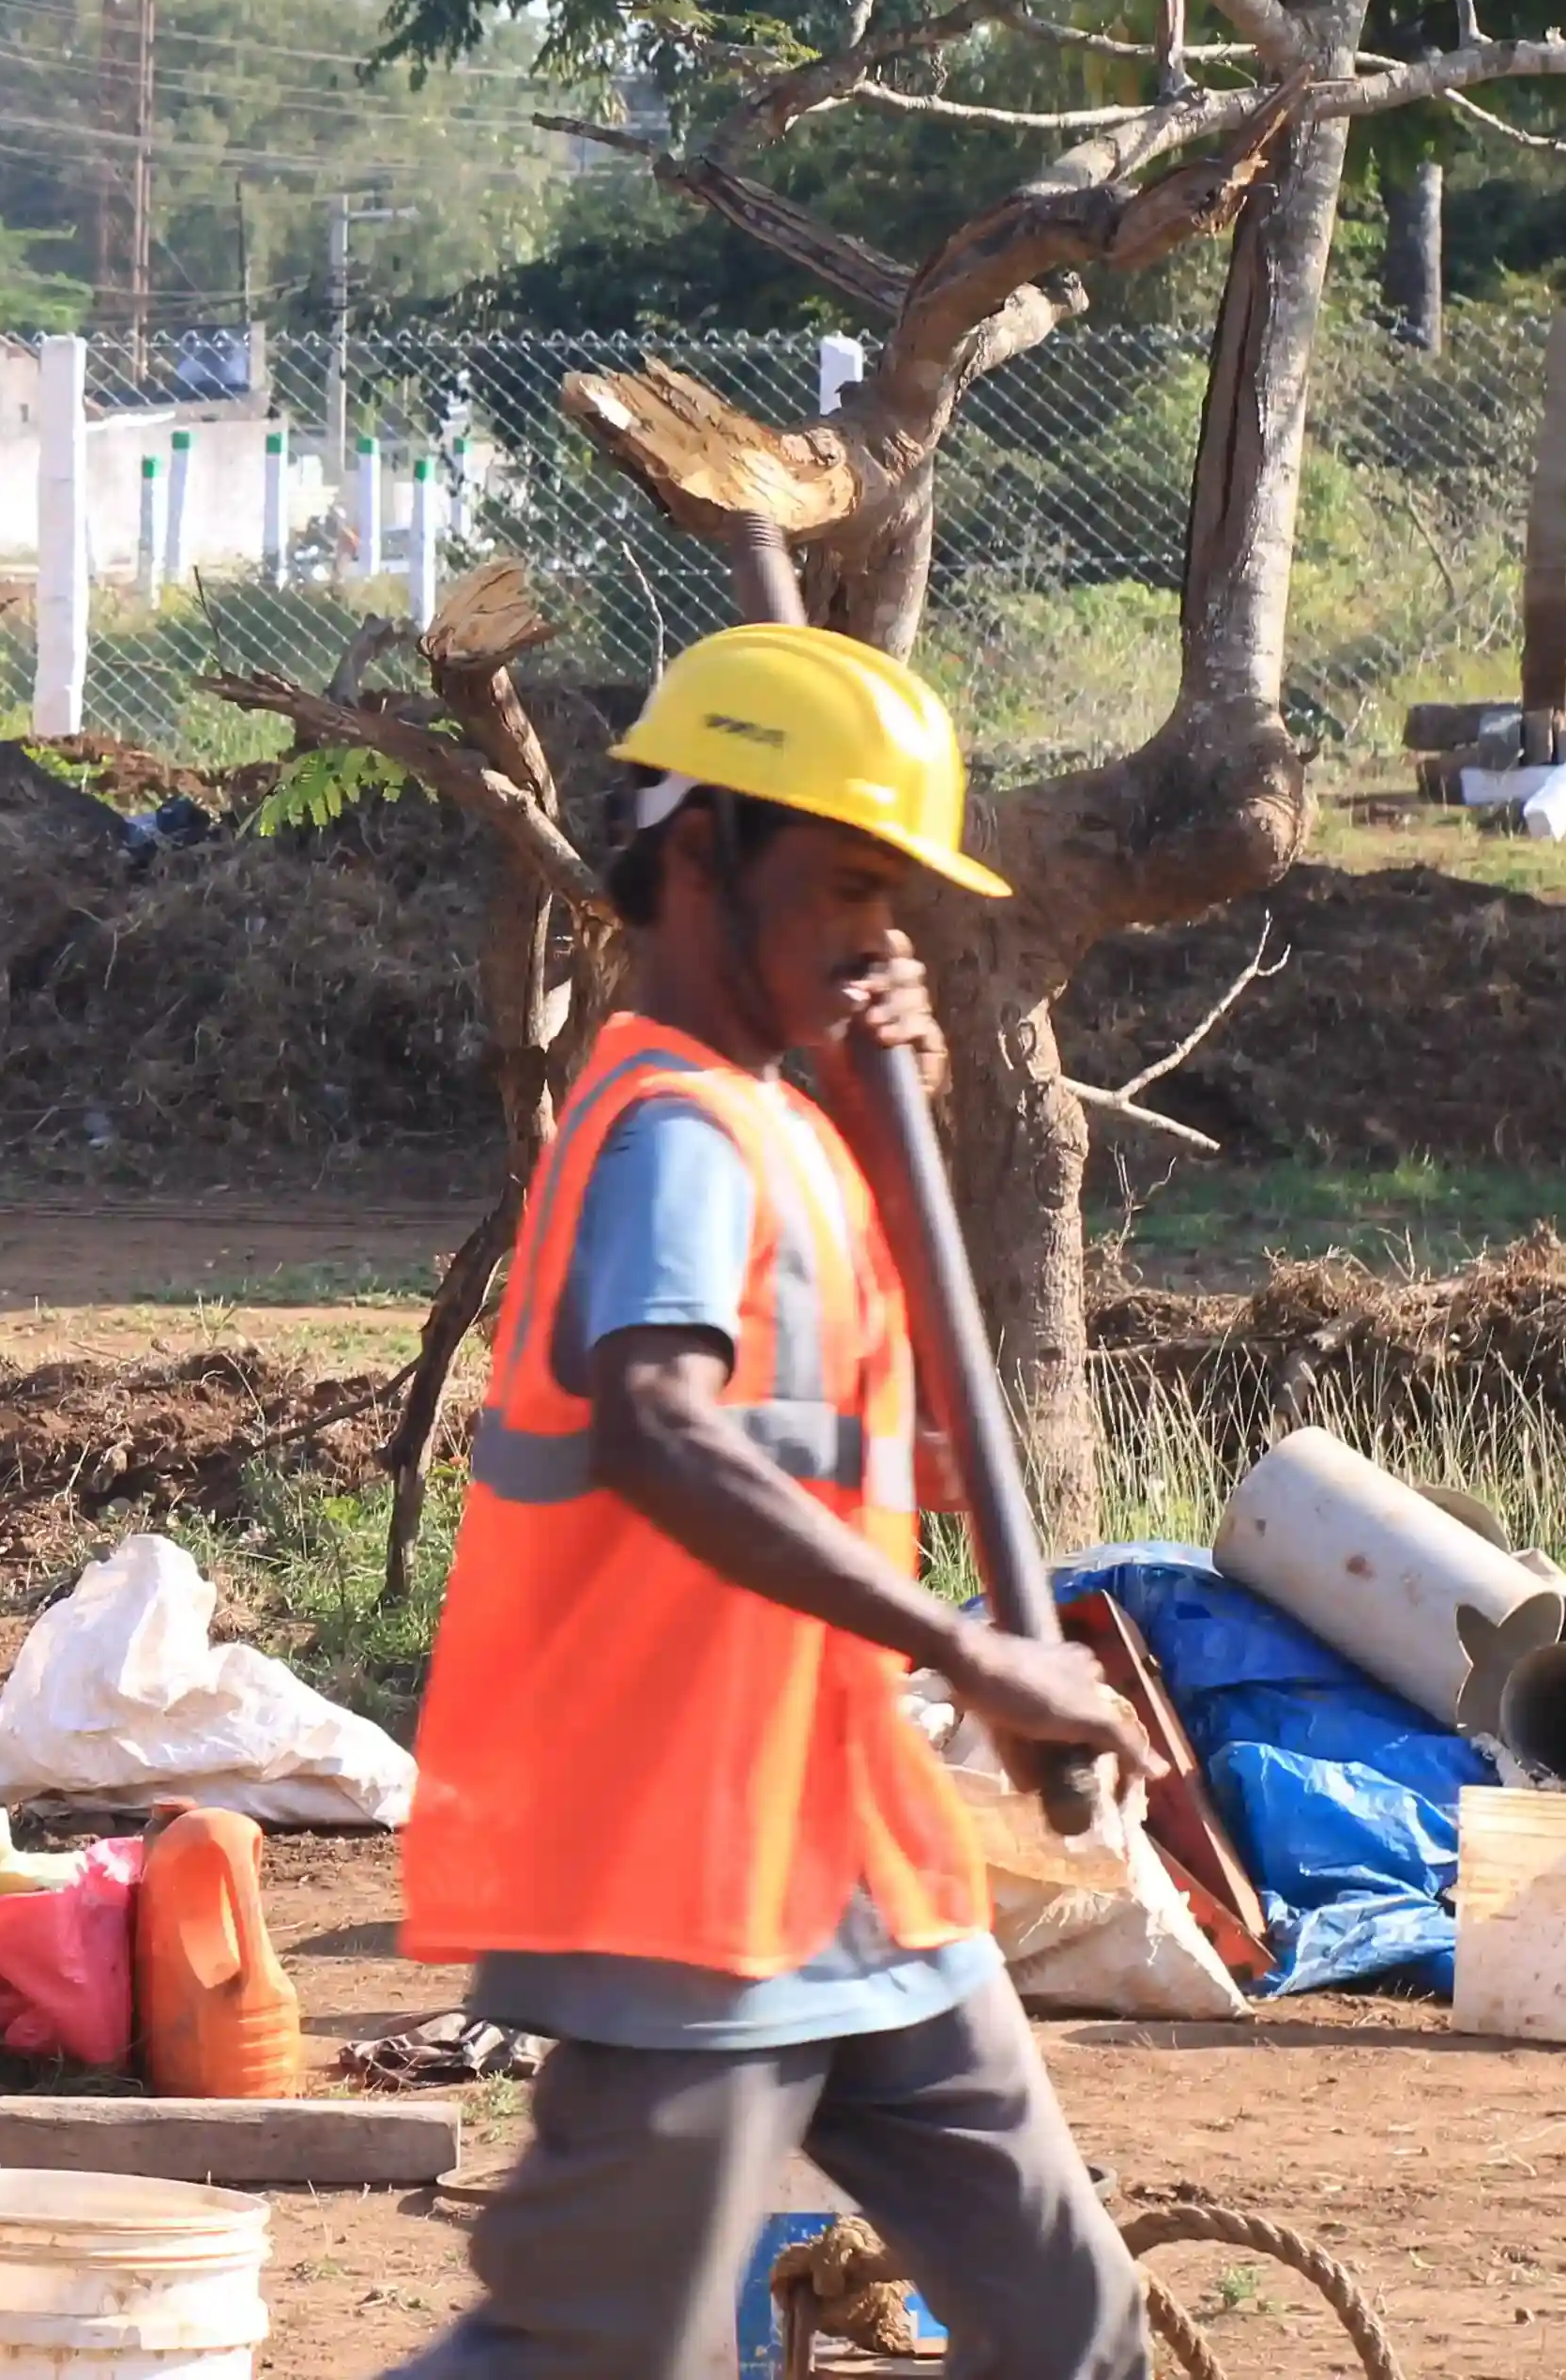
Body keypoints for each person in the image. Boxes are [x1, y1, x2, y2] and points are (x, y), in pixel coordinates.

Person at [391, 623, 1172, 2380]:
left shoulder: (787, 1122)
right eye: (835, 887)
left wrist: (912, 1111)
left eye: (887, 894)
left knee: (1071, 2331)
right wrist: (973, 1657)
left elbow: (869, 1432)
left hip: (852, 1861)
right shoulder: (671, 1125)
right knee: (592, 2358)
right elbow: (667, 1431)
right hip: (690, 1881)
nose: (873, 936)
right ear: (692, 859)